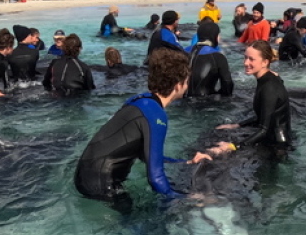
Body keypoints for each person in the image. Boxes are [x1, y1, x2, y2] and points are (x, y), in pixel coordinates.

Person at [74, 49, 207, 202]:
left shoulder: (139, 100)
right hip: (100, 186)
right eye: (187, 81)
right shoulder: (156, 114)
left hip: (84, 176)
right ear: (178, 85)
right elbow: (156, 179)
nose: (187, 86)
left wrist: (185, 162)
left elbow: (145, 155)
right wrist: (191, 198)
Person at [212, 41, 292, 152]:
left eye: (251, 59)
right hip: (273, 138)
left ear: (264, 62)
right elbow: (263, 117)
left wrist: (234, 146)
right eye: (245, 58)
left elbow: (264, 129)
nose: (245, 63)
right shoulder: (267, 79)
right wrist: (236, 125)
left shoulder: (269, 88)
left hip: (277, 146)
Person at [187, 21, 234, 98]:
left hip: (181, 100)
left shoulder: (181, 51)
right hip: (206, 103)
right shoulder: (218, 56)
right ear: (215, 36)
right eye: (219, 35)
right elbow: (227, 83)